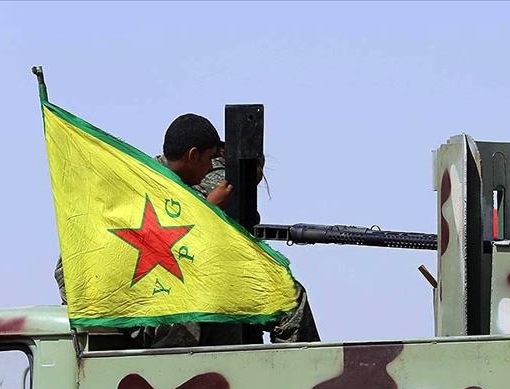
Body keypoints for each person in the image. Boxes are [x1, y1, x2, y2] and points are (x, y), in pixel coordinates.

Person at [54, 113, 320, 346]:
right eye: (210, 159)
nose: (210, 167)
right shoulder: (149, 187)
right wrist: (207, 211)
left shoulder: (155, 177)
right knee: (276, 301)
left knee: (273, 299)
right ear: (194, 156)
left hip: (165, 296)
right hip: (147, 310)